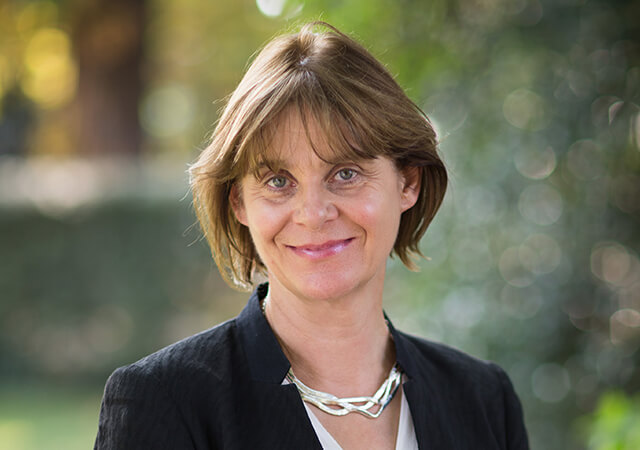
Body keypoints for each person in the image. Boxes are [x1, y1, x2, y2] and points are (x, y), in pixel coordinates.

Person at [94, 21, 529, 449]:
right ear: (239, 203)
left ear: (407, 183)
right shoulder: (164, 401)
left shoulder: (485, 400)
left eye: (345, 173)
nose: (313, 214)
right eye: (278, 181)